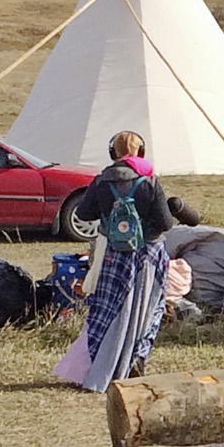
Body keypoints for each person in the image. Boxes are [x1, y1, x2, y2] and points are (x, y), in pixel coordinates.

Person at [69, 131, 174, 391]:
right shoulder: (149, 182)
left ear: (112, 152)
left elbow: (83, 213)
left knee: (107, 310)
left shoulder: (102, 181)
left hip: (113, 256)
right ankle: (135, 358)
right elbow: (165, 222)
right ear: (141, 152)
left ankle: (102, 365)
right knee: (146, 311)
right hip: (147, 256)